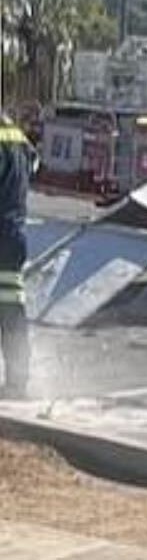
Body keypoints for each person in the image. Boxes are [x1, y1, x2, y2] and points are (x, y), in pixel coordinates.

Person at [0, 114, 34, 399]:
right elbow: (33, 165)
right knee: (11, 310)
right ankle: (17, 381)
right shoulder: (16, 135)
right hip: (13, 236)